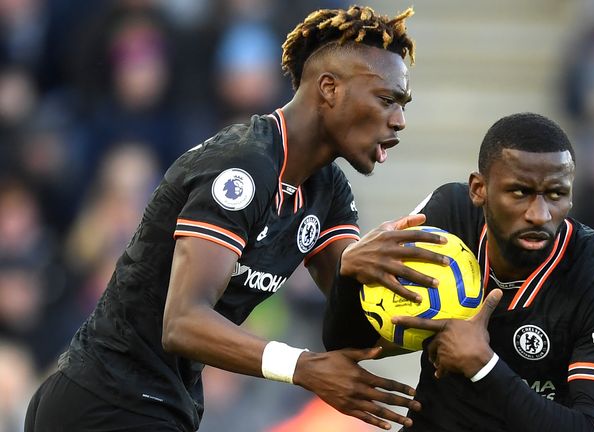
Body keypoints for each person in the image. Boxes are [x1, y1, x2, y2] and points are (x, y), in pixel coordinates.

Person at [24, 6, 448, 432]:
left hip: (165, 402)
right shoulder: (243, 166)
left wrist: (434, 314)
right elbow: (183, 321)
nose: (400, 120)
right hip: (101, 399)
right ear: (329, 88)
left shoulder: (328, 190)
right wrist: (302, 366)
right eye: (387, 99)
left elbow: (349, 328)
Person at [326, 113, 594, 431]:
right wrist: (348, 271)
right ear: (479, 189)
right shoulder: (447, 219)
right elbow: (349, 342)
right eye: (520, 192)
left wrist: (484, 366)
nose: (539, 214)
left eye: (555, 194)